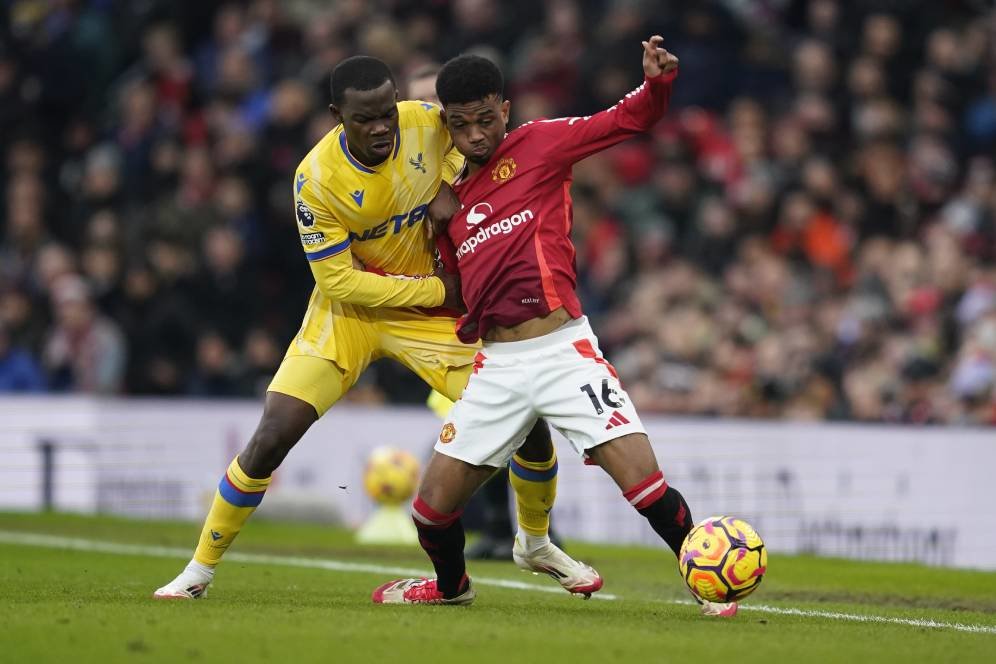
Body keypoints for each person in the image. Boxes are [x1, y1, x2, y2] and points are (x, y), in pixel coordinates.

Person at [154, 56, 595, 599]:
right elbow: (340, 283)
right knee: (274, 433)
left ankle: (535, 542)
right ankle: (198, 570)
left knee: (530, 425)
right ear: (338, 115)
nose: (383, 125)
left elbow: (478, 157)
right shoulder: (315, 181)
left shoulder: (423, 123)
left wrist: (451, 186)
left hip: (430, 321)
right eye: (366, 118)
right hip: (352, 315)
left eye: (387, 112)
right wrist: (437, 290)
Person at [372, 37, 737, 617]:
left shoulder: (540, 144)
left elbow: (628, 119)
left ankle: (704, 584)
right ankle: (451, 586)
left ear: (505, 110)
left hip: (564, 350)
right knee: (430, 511)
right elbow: (459, 294)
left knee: (644, 485)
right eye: (462, 125)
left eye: (486, 120)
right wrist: (437, 241)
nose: (475, 135)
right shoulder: (448, 202)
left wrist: (656, 84)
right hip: (498, 366)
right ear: (446, 125)